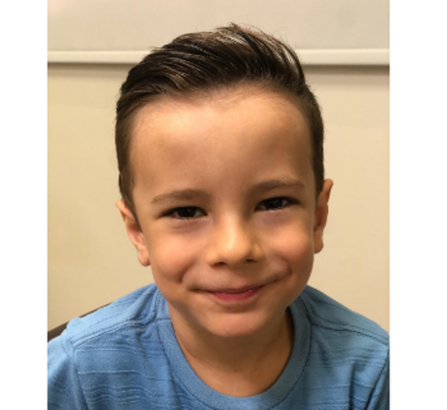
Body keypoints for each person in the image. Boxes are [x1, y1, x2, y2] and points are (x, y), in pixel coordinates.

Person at [48, 24, 389, 409]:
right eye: (186, 211)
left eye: (273, 203)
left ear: (317, 217)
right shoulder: (76, 373)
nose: (234, 248)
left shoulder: (372, 373)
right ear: (138, 231)